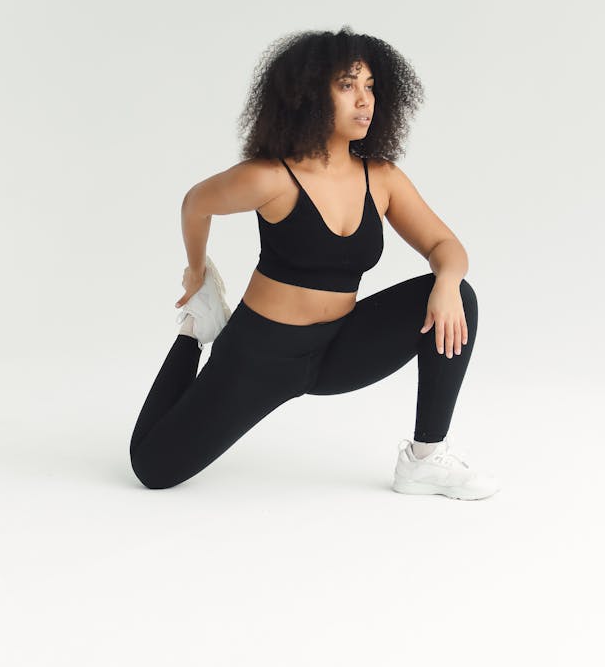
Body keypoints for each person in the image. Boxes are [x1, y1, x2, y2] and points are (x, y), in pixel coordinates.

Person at [129, 25, 500, 500]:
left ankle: (425, 460)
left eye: (370, 87)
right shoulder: (270, 177)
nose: (364, 100)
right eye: (347, 86)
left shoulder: (381, 177)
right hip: (261, 355)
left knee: (459, 297)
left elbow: (445, 245)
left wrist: (447, 282)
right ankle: (194, 329)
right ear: (308, 94)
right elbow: (195, 203)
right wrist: (197, 272)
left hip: (338, 350)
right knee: (153, 468)